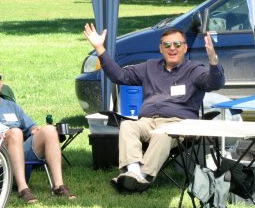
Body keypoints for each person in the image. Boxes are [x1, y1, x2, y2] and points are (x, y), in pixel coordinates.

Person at [83, 23, 225, 193]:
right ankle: (133, 171)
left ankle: (143, 176)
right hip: (148, 121)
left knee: (163, 133)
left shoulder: (194, 70)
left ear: (185, 48)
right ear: (161, 48)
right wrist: (100, 48)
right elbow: (119, 76)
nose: (172, 48)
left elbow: (215, 83)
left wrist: (213, 60)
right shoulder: (150, 67)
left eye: (177, 44)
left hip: (178, 124)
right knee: (128, 125)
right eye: (167, 45)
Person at [0, 65, 76, 203]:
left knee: (49, 130)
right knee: (16, 132)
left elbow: (32, 127)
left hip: (18, 152)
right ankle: (23, 189)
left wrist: (36, 129)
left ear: (1, 82)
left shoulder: (12, 106)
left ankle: (58, 186)